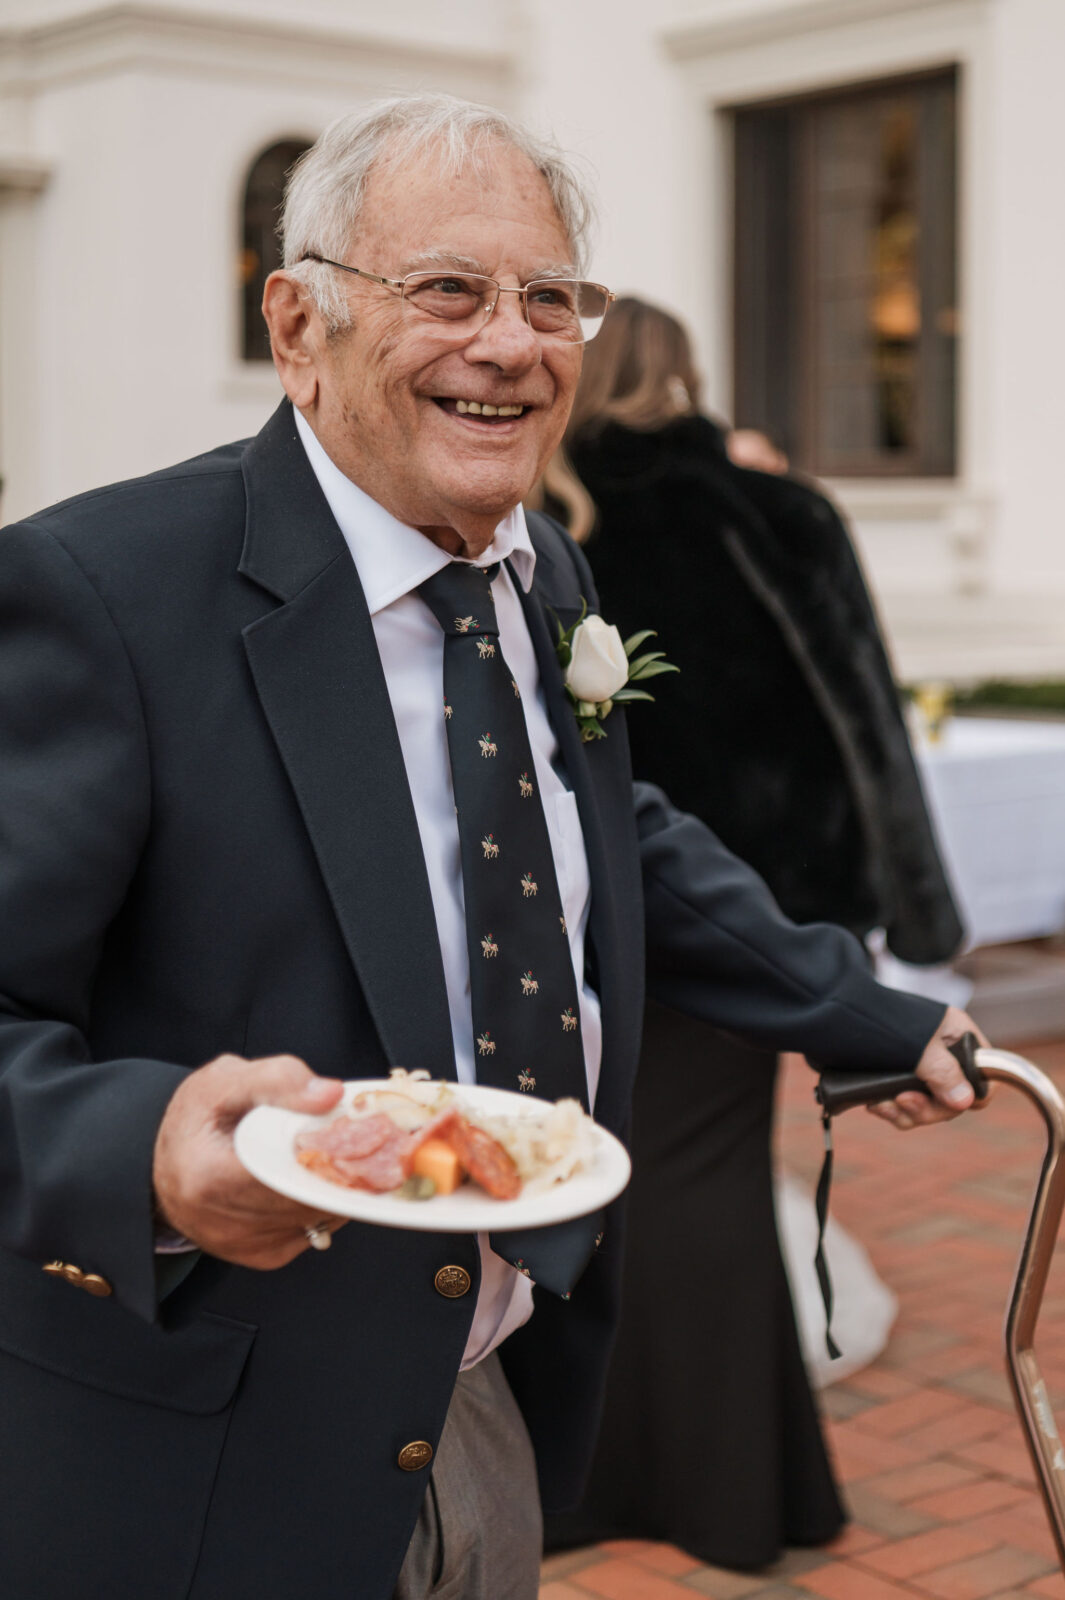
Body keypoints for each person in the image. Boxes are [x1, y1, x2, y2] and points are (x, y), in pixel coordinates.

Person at [0, 97, 980, 1600]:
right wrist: (140, 1152)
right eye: (447, 289)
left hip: (491, 1399)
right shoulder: (99, 593)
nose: (511, 343)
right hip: (206, 1464)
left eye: (550, 298)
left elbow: (606, 836)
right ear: (299, 323)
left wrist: (863, 1007)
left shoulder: (540, 567)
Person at [541, 296, 964, 1568]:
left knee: (603, 1174)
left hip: (599, 909)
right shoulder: (771, 513)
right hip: (770, 913)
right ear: (688, 379)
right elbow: (861, 715)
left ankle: (598, 1480)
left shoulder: (545, 521)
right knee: (708, 1181)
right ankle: (740, 1498)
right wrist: (905, 914)